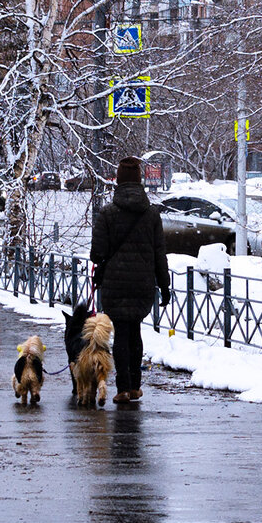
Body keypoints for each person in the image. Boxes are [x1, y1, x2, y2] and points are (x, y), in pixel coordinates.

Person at [90, 157, 170, 403]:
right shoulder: (151, 214)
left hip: (115, 284)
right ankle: (135, 386)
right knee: (135, 332)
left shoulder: (107, 213)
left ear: (119, 180)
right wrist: (164, 285)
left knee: (121, 334)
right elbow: (159, 253)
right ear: (139, 180)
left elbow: (97, 254)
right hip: (143, 284)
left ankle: (122, 388)